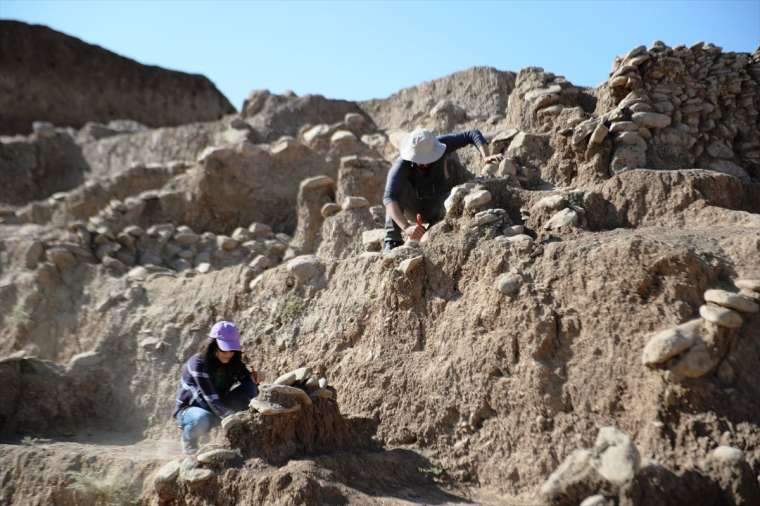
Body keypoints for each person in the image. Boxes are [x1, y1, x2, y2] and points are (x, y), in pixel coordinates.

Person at [383, 127, 502, 250]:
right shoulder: (401, 165)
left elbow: (472, 134)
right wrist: (406, 227)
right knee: (393, 197)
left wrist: (486, 156)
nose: (424, 164)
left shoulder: (440, 144)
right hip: (414, 209)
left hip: (439, 202)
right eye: (420, 161)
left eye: (428, 159)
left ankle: (437, 227)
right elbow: (389, 198)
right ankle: (392, 242)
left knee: (458, 192)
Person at [173, 320, 259, 455]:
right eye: (224, 349)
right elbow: (211, 398)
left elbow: (247, 381)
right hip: (191, 411)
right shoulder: (198, 363)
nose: (229, 354)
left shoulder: (233, 361)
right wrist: (234, 420)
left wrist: (254, 379)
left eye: (232, 350)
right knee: (201, 419)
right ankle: (188, 441)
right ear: (212, 345)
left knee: (250, 387)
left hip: (217, 407)